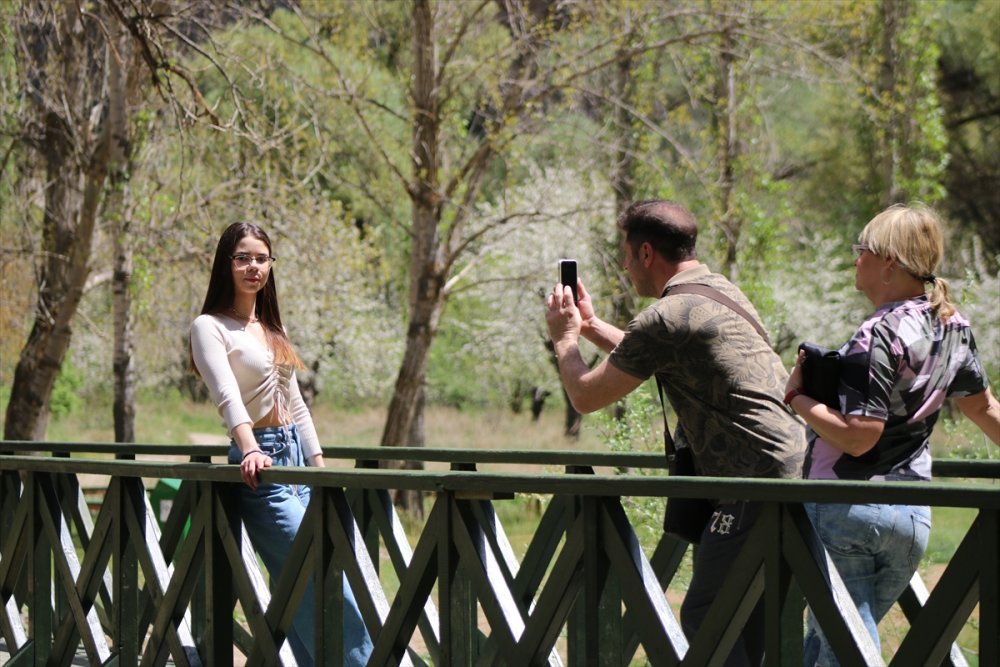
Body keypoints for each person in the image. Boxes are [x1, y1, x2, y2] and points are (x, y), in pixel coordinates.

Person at [545, 200, 807, 666]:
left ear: (647, 253)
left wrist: (565, 340)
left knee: (709, 617)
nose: (625, 267)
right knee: (752, 623)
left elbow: (586, 396)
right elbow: (656, 352)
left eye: (627, 255)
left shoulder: (666, 316)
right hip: (796, 479)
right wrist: (588, 325)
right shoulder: (719, 292)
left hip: (750, 488)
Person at [783, 204, 1000, 666]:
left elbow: (860, 437)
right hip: (912, 518)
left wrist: (797, 397)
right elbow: (984, 409)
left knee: (844, 646)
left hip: (847, 509)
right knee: (831, 642)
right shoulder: (953, 326)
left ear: (889, 262)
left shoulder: (877, 333)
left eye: (861, 251)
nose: (854, 261)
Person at [189, 222, 373, 666]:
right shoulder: (209, 327)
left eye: (261, 258)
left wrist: (319, 466)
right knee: (316, 582)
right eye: (243, 258)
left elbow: (296, 403)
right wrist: (250, 447)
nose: (254, 267)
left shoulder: (272, 326)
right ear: (226, 264)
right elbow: (227, 396)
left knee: (326, 576)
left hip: (300, 466)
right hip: (265, 466)